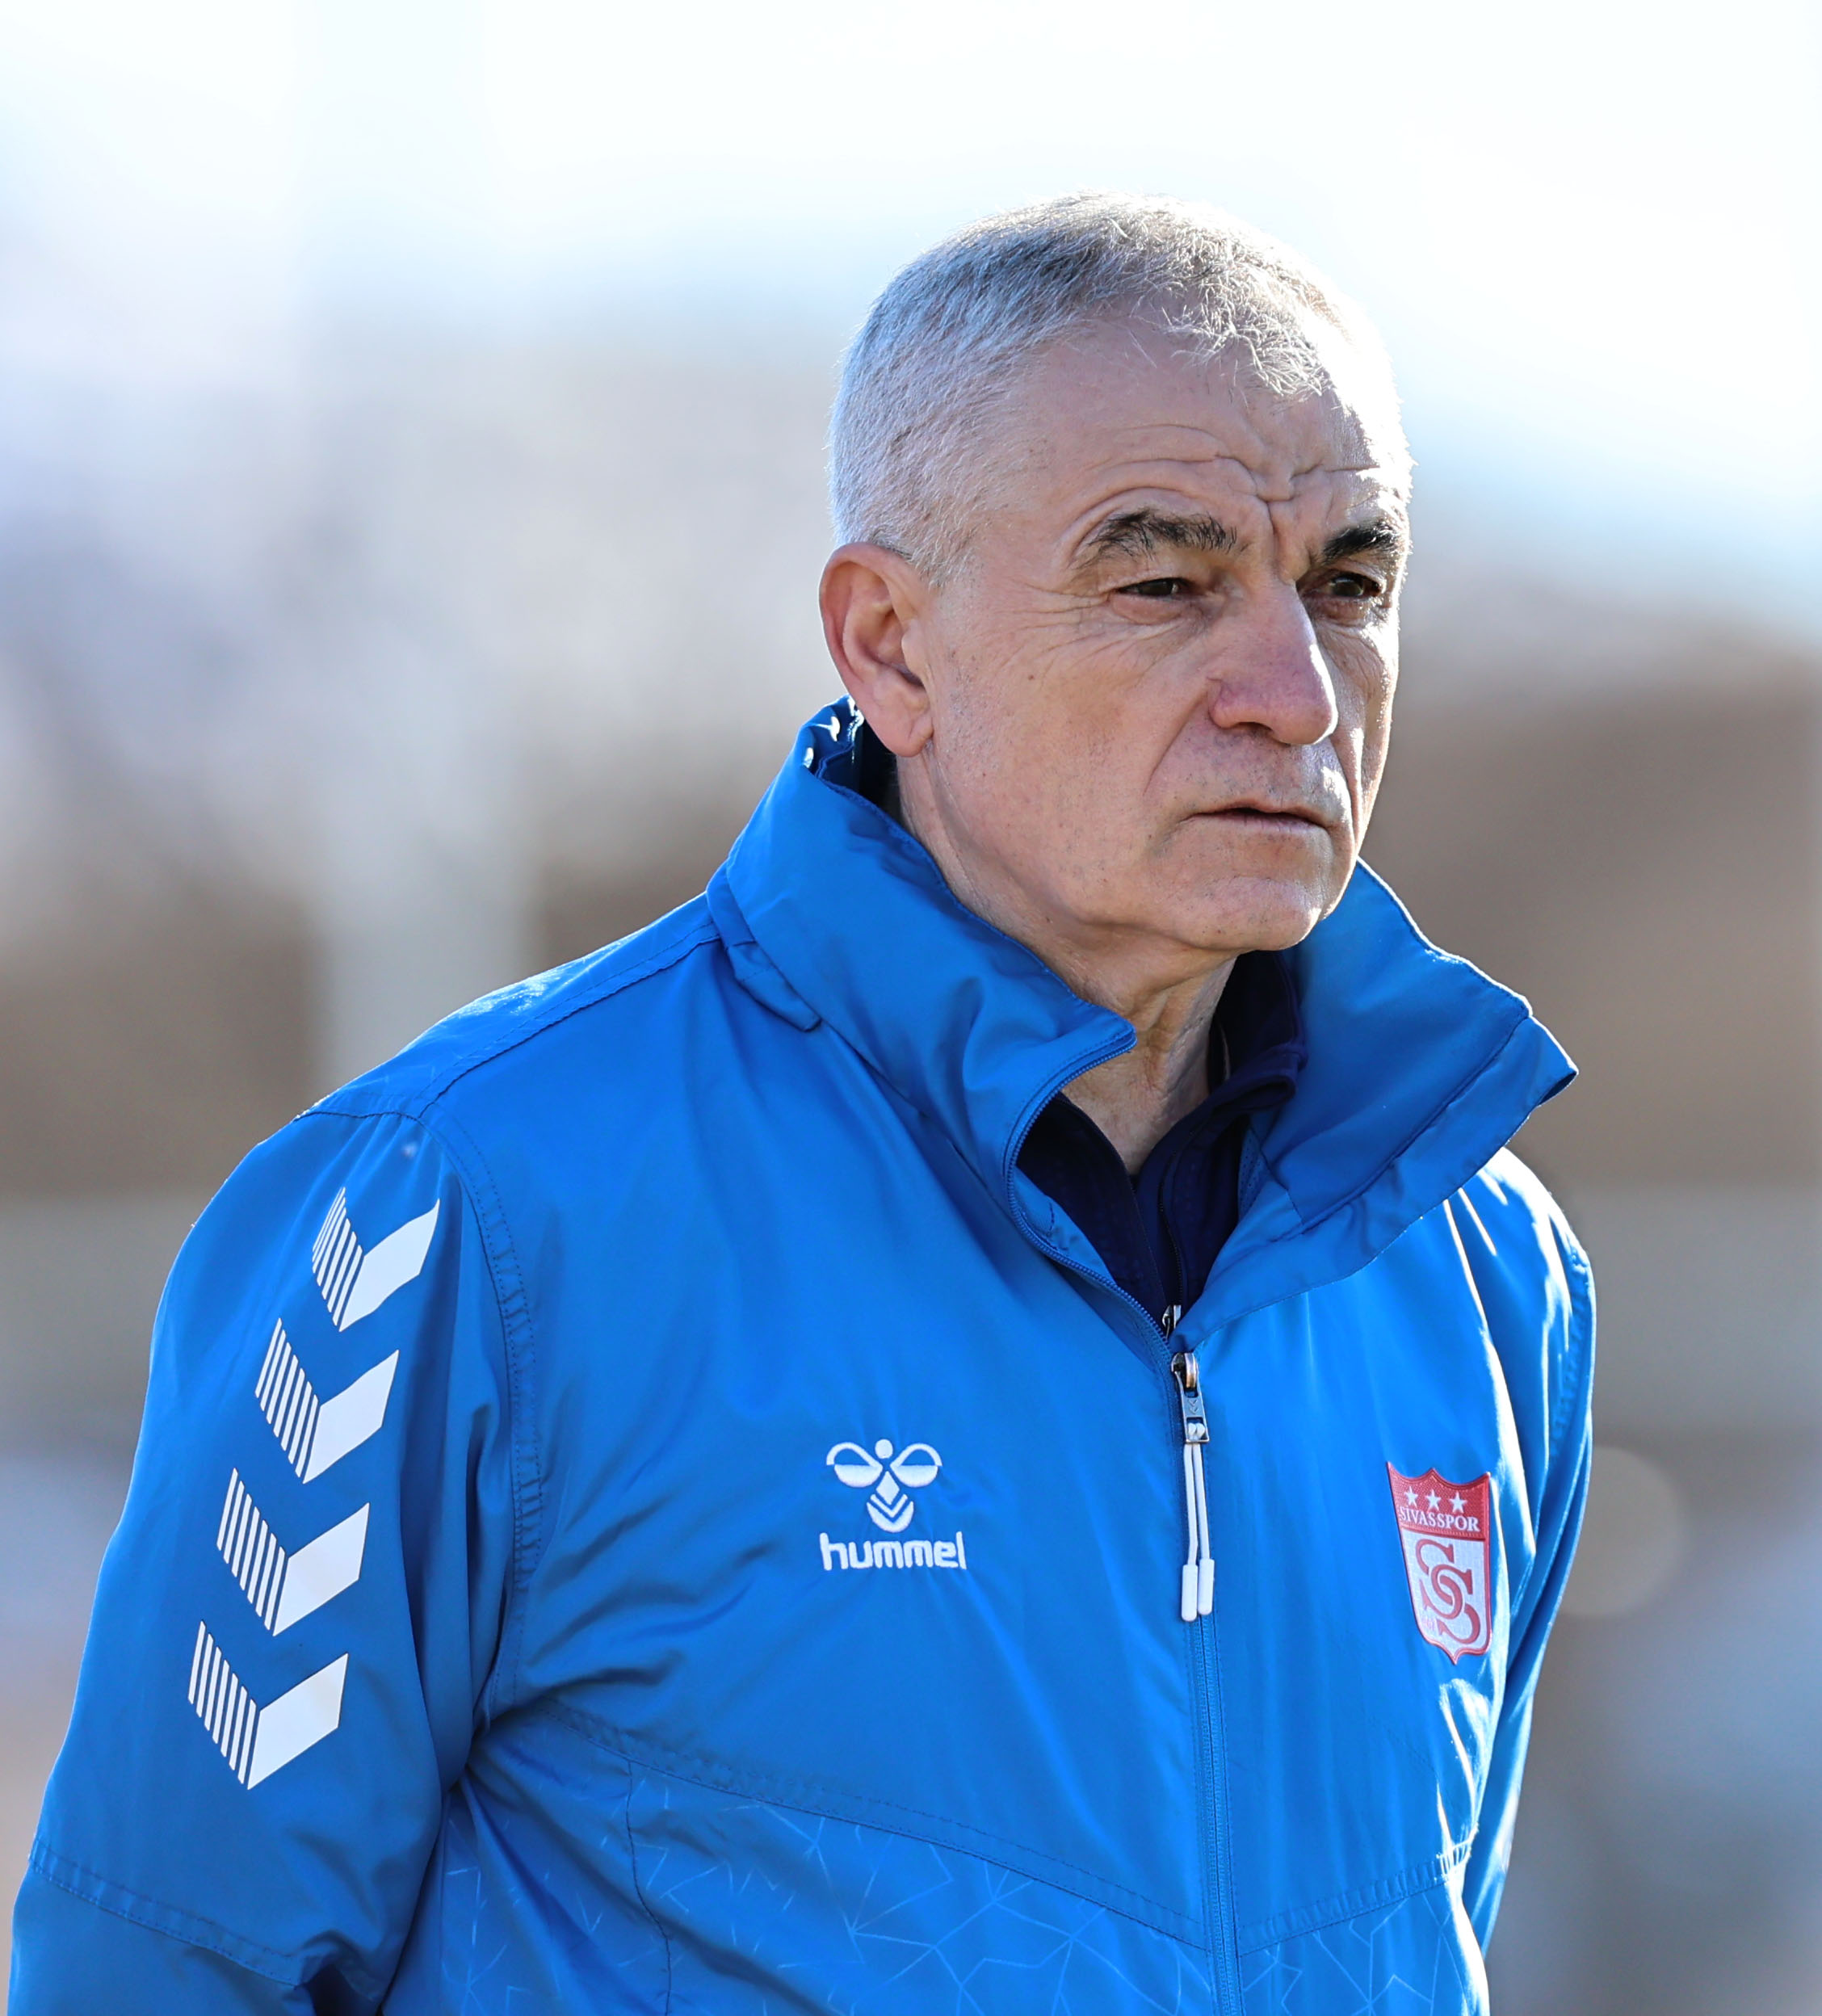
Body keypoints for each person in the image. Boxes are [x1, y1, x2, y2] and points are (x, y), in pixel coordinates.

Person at [11, 194, 1592, 2014]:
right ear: (890, 646)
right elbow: (158, 1966)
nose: (1295, 693)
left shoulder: (1483, 1275)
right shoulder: (462, 1212)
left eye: (1350, 585)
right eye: (1166, 581)